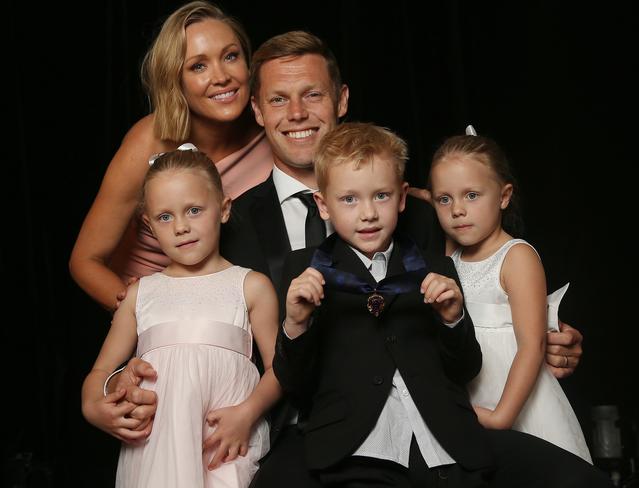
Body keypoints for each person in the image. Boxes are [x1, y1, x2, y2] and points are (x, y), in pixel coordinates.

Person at [104, 30, 586, 486]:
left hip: (431, 421)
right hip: (294, 430)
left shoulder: (419, 212)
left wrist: (541, 335)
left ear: (342, 100)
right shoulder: (225, 225)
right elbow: (184, 314)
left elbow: (489, 271)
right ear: (256, 109)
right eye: (277, 99)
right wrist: (117, 376)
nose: (296, 112)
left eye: (312, 94)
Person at [274, 121, 609, 487]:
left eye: (381, 196)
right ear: (323, 205)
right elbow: (293, 381)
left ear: (402, 198)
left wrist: (453, 320)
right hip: (355, 445)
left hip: (445, 439)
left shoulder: (434, 265)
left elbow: (465, 367)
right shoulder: (305, 271)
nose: (368, 213)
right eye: (349, 199)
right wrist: (295, 325)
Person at [81, 148, 282, 487]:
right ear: (148, 224)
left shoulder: (250, 286)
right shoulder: (139, 294)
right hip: (154, 451)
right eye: (165, 217)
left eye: (193, 210)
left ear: (223, 208)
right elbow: (100, 372)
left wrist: (247, 415)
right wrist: (92, 407)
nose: (181, 227)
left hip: (224, 443)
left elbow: (281, 367)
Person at [69, 1, 273, 312]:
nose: (221, 77)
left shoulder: (273, 132)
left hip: (231, 309)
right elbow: (85, 262)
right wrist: (151, 318)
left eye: (230, 56)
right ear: (175, 80)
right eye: (198, 66)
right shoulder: (149, 140)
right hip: (151, 311)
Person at [429, 133, 591, 462]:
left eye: (471, 195)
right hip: (472, 401)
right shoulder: (451, 257)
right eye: (444, 199)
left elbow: (532, 345)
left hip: (516, 403)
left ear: (503, 197)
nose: (457, 210)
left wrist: (502, 415)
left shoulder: (516, 257)